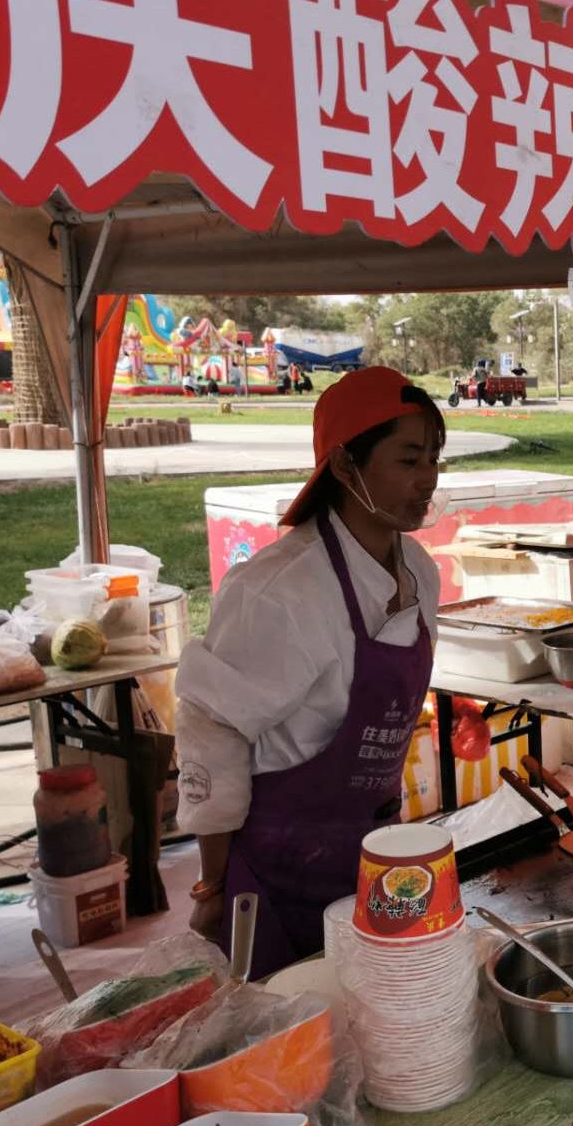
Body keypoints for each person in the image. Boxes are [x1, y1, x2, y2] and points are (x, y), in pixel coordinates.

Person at [175, 367, 446, 978]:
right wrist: (210, 888)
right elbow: (212, 733)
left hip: (372, 863)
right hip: (275, 876)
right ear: (346, 467)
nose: (427, 479)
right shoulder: (279, 592)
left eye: (434, 459)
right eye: (408, 460)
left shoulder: (420, 573)